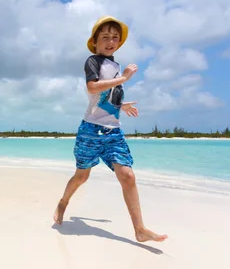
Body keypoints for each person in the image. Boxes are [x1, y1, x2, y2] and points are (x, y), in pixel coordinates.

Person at [53, 16, 167, 243]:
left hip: (113, 132)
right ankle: (63, 202)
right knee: (82, 176)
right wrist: (123, 78)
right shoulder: (93, 61)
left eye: (115, 37)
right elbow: (92, 87)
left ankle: (140, 229)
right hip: (90, 130)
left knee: (127, 175)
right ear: (94, 42)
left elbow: (103, 97)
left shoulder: (114, 66)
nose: (110, 41)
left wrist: (120, 105)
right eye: (105, 37)